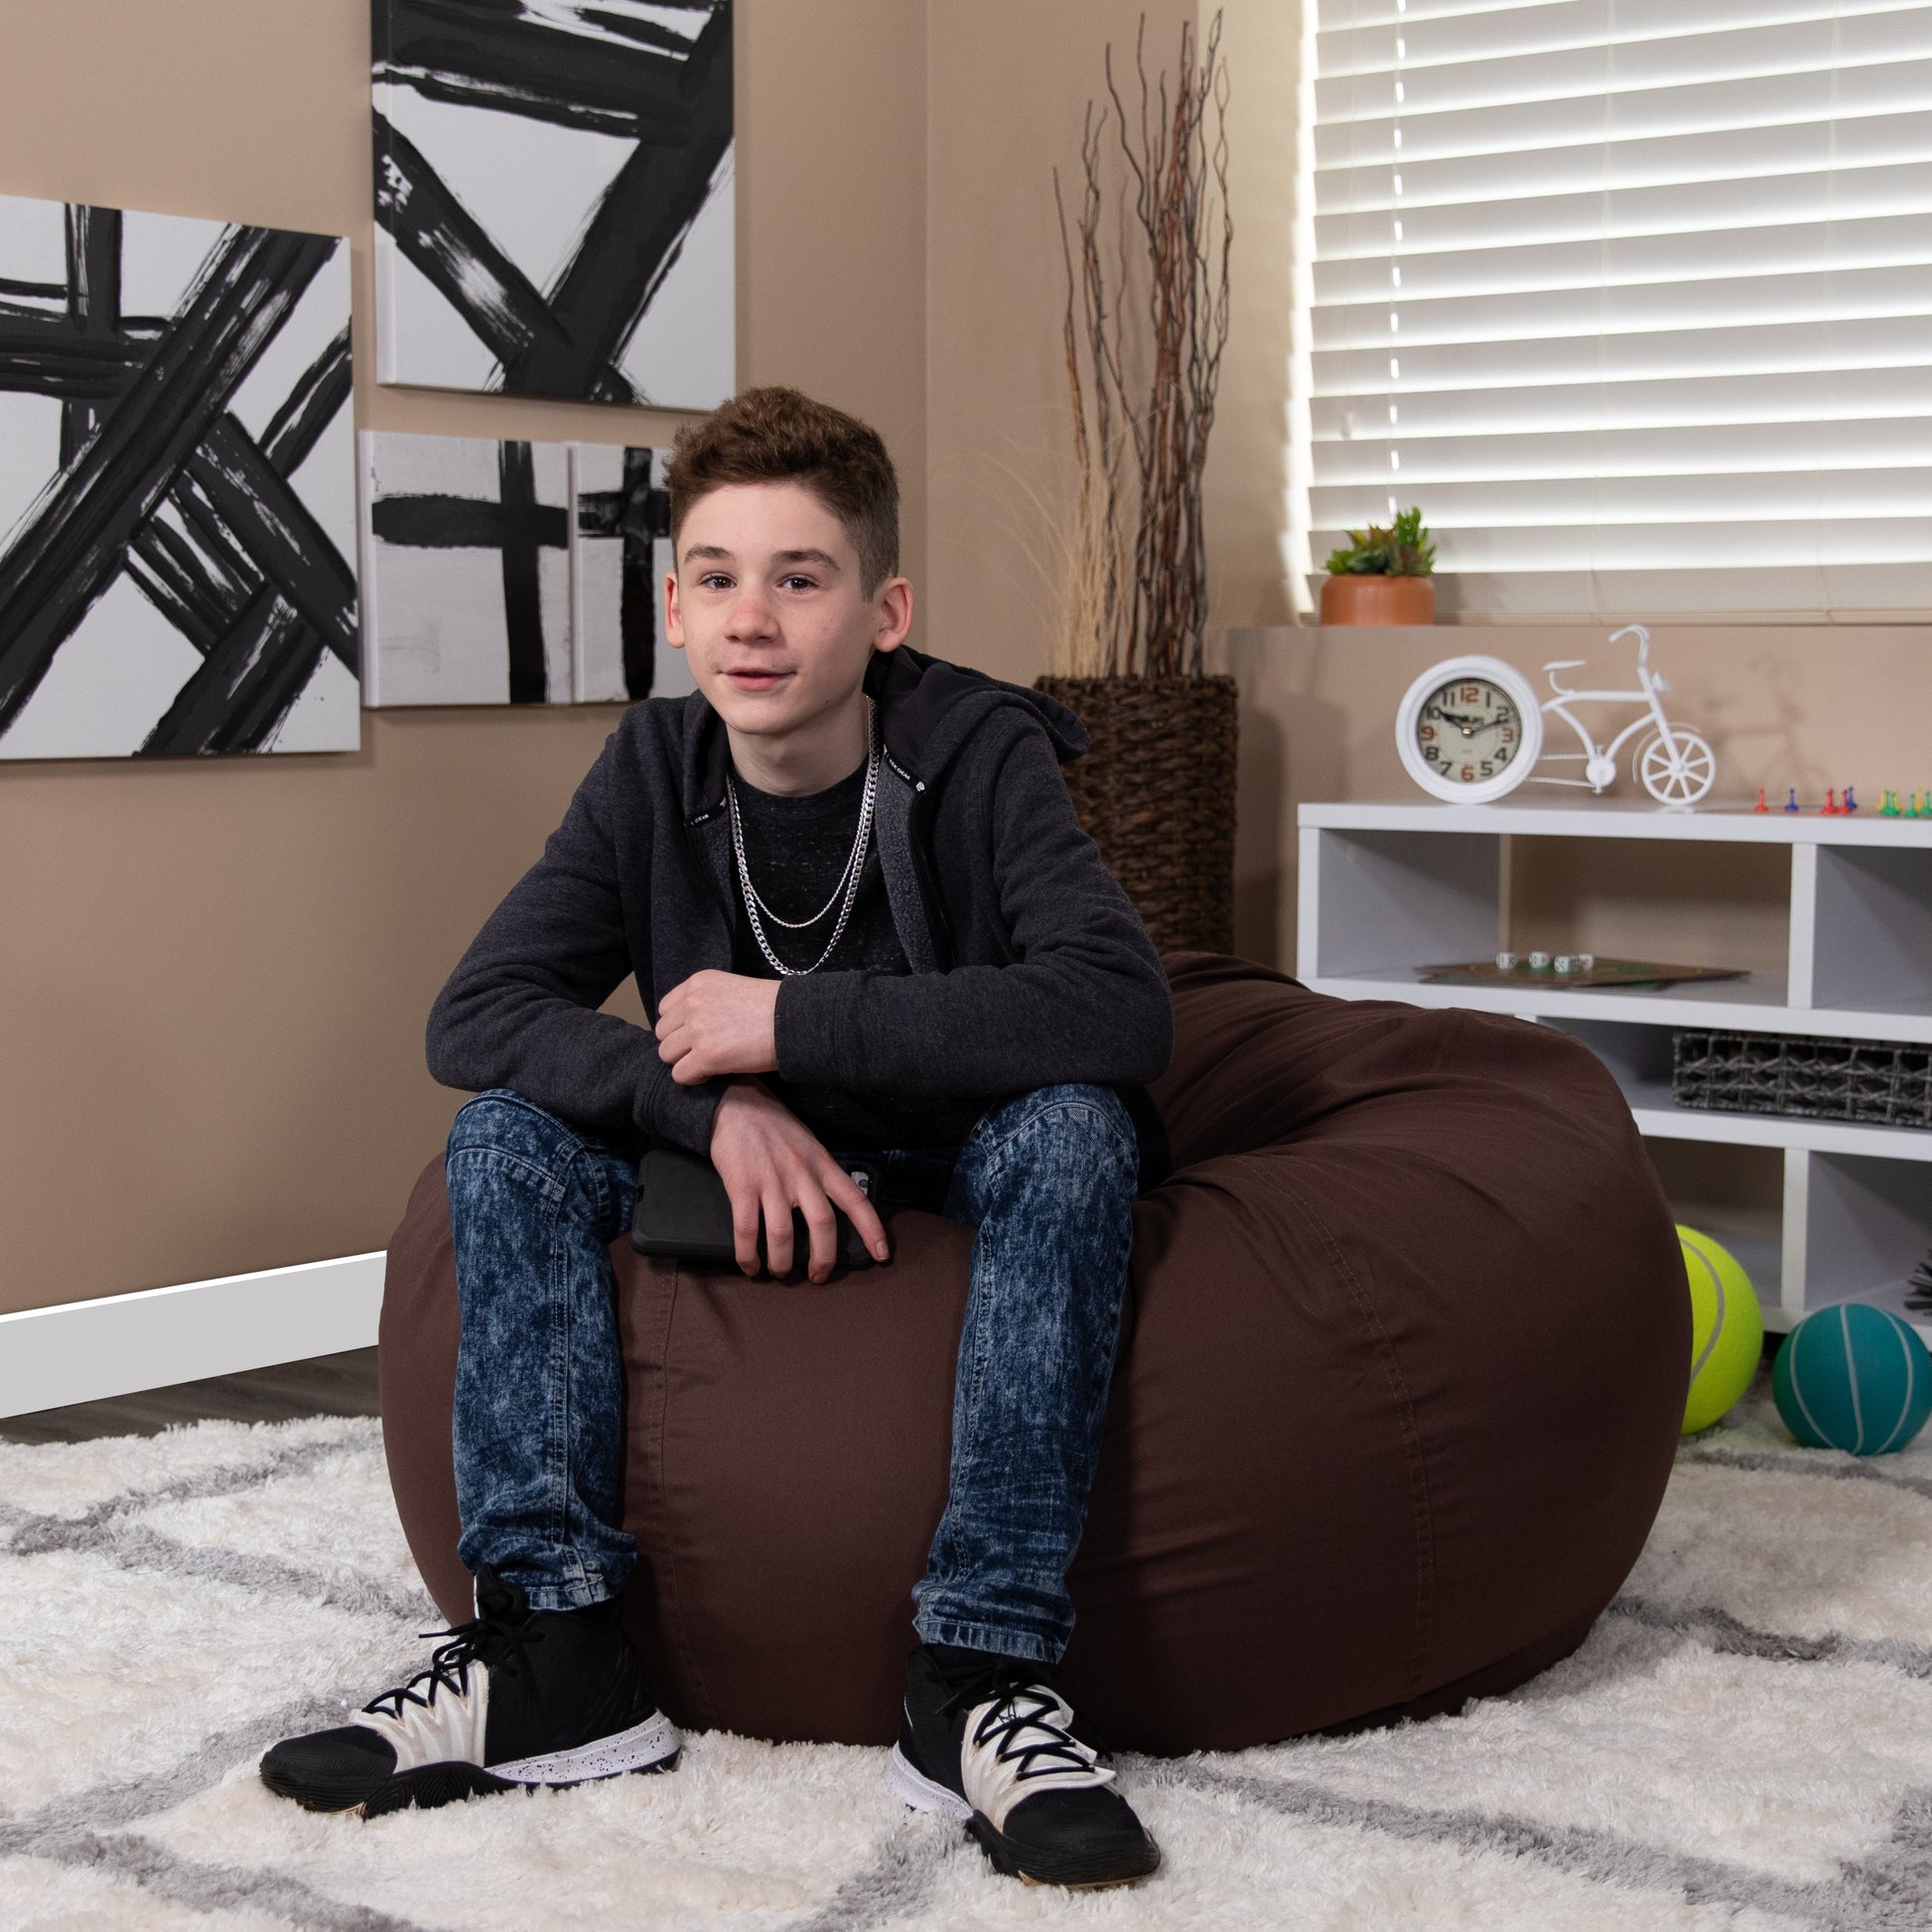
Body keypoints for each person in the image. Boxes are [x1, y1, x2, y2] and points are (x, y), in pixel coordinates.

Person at [260, 387, 1173, 1890]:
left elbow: (1118, 1006)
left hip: (959, 1152)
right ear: (674, 609)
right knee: (501, 1137)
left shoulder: (976, 752)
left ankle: (978, 1678)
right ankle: (555, 1656)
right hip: (731, 1162)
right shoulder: (653, 766)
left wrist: (792, 1025)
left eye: (800, 578)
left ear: (884, 612)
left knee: (1076, 1131)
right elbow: (478, 1012)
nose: (754, 618)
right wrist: (712, 1100)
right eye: (716, 577)